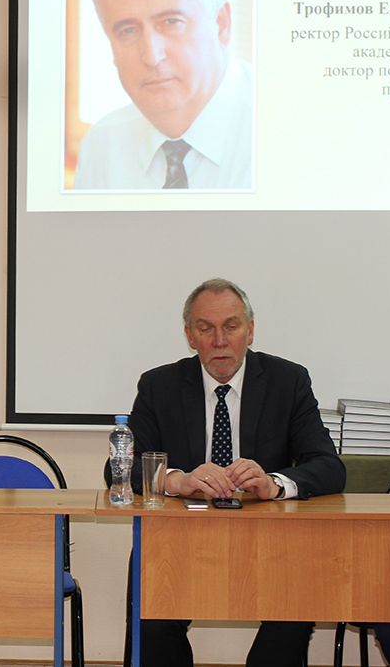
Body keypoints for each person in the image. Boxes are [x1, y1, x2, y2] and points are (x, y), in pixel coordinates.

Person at [124, 278, 345, 667]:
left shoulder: (288, 381)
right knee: (152, 619)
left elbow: (329, 467)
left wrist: (274, 485)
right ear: (190, 336)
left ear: (250, 331)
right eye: (205, 328)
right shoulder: (159, 385)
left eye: (231, 326)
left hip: (271, 541)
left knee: (294, 612)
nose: (219, 340)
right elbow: (121, 469)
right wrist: (176, 480)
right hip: (181, 539)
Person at [73, 0, 253, 191]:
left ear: (221, 25)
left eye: (171, 22)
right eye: (128, 30)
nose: (152, 56)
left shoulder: (287, 130)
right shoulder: (102, 146)